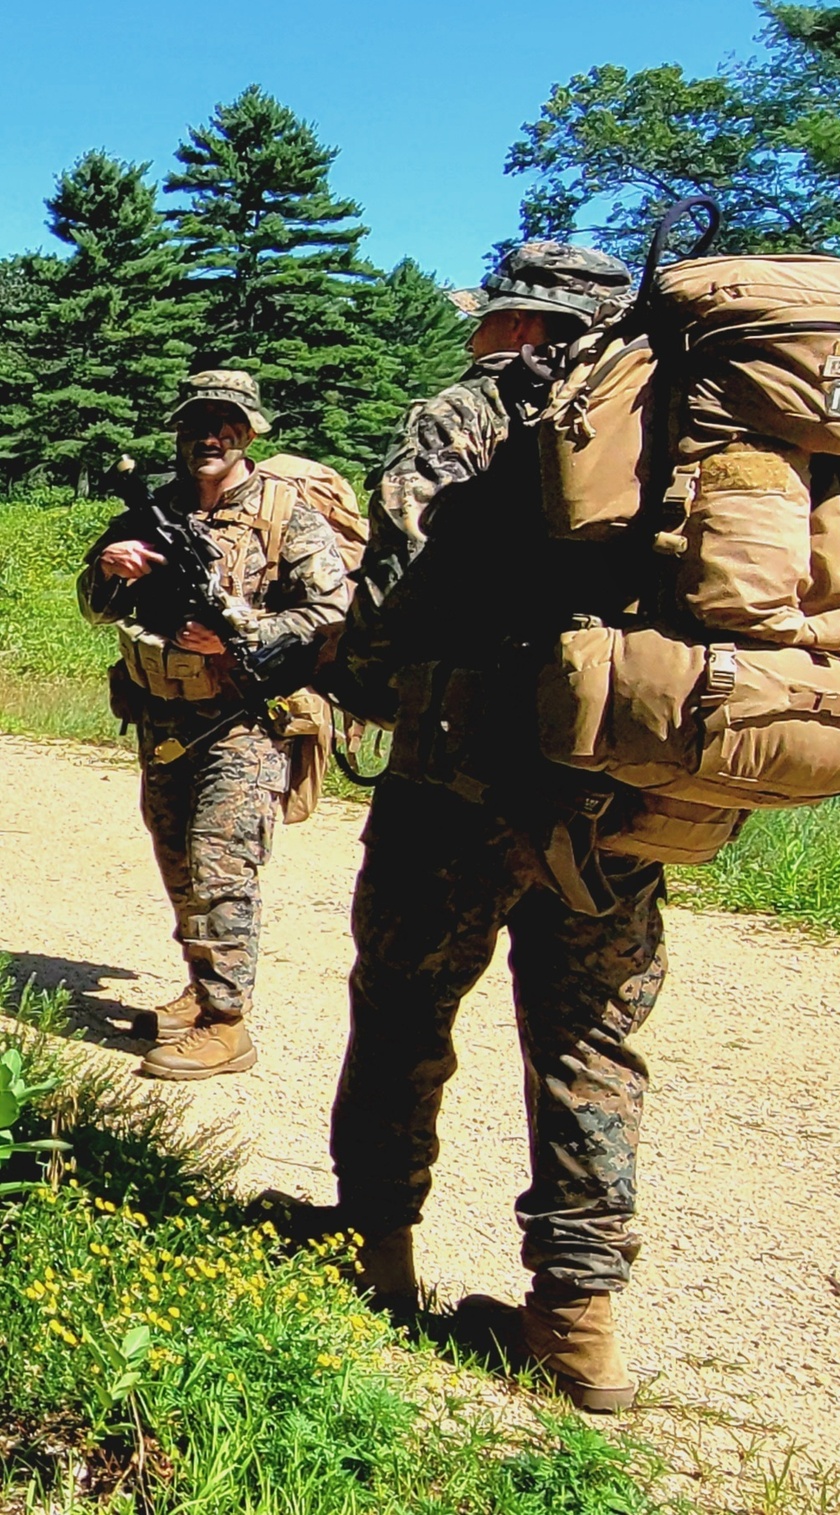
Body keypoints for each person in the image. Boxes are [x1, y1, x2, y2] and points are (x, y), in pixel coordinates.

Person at [318, 244, 669, 1412]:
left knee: (406, 1010)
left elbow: (392, 594)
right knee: (589, 1043)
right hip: (618, 802)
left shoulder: (468, 414)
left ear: (513, 323)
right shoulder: (681, 423)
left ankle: (373, 1254)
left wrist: (354, 675)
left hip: (455, 784)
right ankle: (579, 1323)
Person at [78, 371, 351, 1080]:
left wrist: (241, 635)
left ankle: (228, 1024)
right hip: (163, 718)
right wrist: (111, 569)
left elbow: (331, 613)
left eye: (226, 423)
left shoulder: (284, 513)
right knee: (178, 861)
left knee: (219, 864)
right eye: (197, 422)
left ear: (249, 432)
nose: (210, 435)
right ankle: (201, 992)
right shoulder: (158, 509)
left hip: (247, 719)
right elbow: (94, 606)